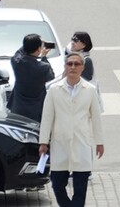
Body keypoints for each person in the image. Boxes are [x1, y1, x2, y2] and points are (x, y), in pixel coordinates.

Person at [39, 51, 104, 207]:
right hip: (59, 143)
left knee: (80, 189)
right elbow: (47, 117)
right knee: (57, 185)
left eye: (77, 64)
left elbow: (96, 117)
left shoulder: (90, 90)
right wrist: (43, 142)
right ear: (65, 67)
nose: (73, 67)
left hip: (81, 143)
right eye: (70, 64)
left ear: (82, 68)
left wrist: (99, 142)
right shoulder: (54, 90)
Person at [8, 34, 56, 122]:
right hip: (35, 111)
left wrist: (30, 43)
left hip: (17, 108)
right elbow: (51, 77)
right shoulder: (43, 67)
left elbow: (18, 52)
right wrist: (44, 57)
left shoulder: (16, 61)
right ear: (38, 49)